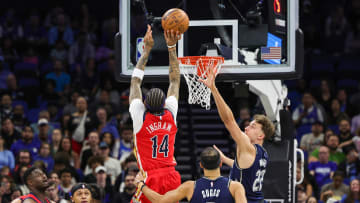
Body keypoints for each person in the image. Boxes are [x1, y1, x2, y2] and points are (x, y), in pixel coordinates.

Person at [199, 65, 275, 202]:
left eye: (253, 126)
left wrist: (213, 89)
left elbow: (229, 121)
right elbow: (243, 167)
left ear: (261, 135)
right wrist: (224, 158)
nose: (246, 128)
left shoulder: (247, 146)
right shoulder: (263, 153)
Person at [129, 26, 182, 203]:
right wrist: (171, 47)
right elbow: (175, 80)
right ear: (164, 104)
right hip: (172, 176)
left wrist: (146, 50)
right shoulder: (171, 112)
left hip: (151, 177)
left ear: (144, 104)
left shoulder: (140, 116)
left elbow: (135, 82)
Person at [134, 147, 247, 203]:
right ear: (221, 164)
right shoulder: (235, 187)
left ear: (201, 165)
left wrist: (141, 185)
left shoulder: (190, 187)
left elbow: (160, 201)